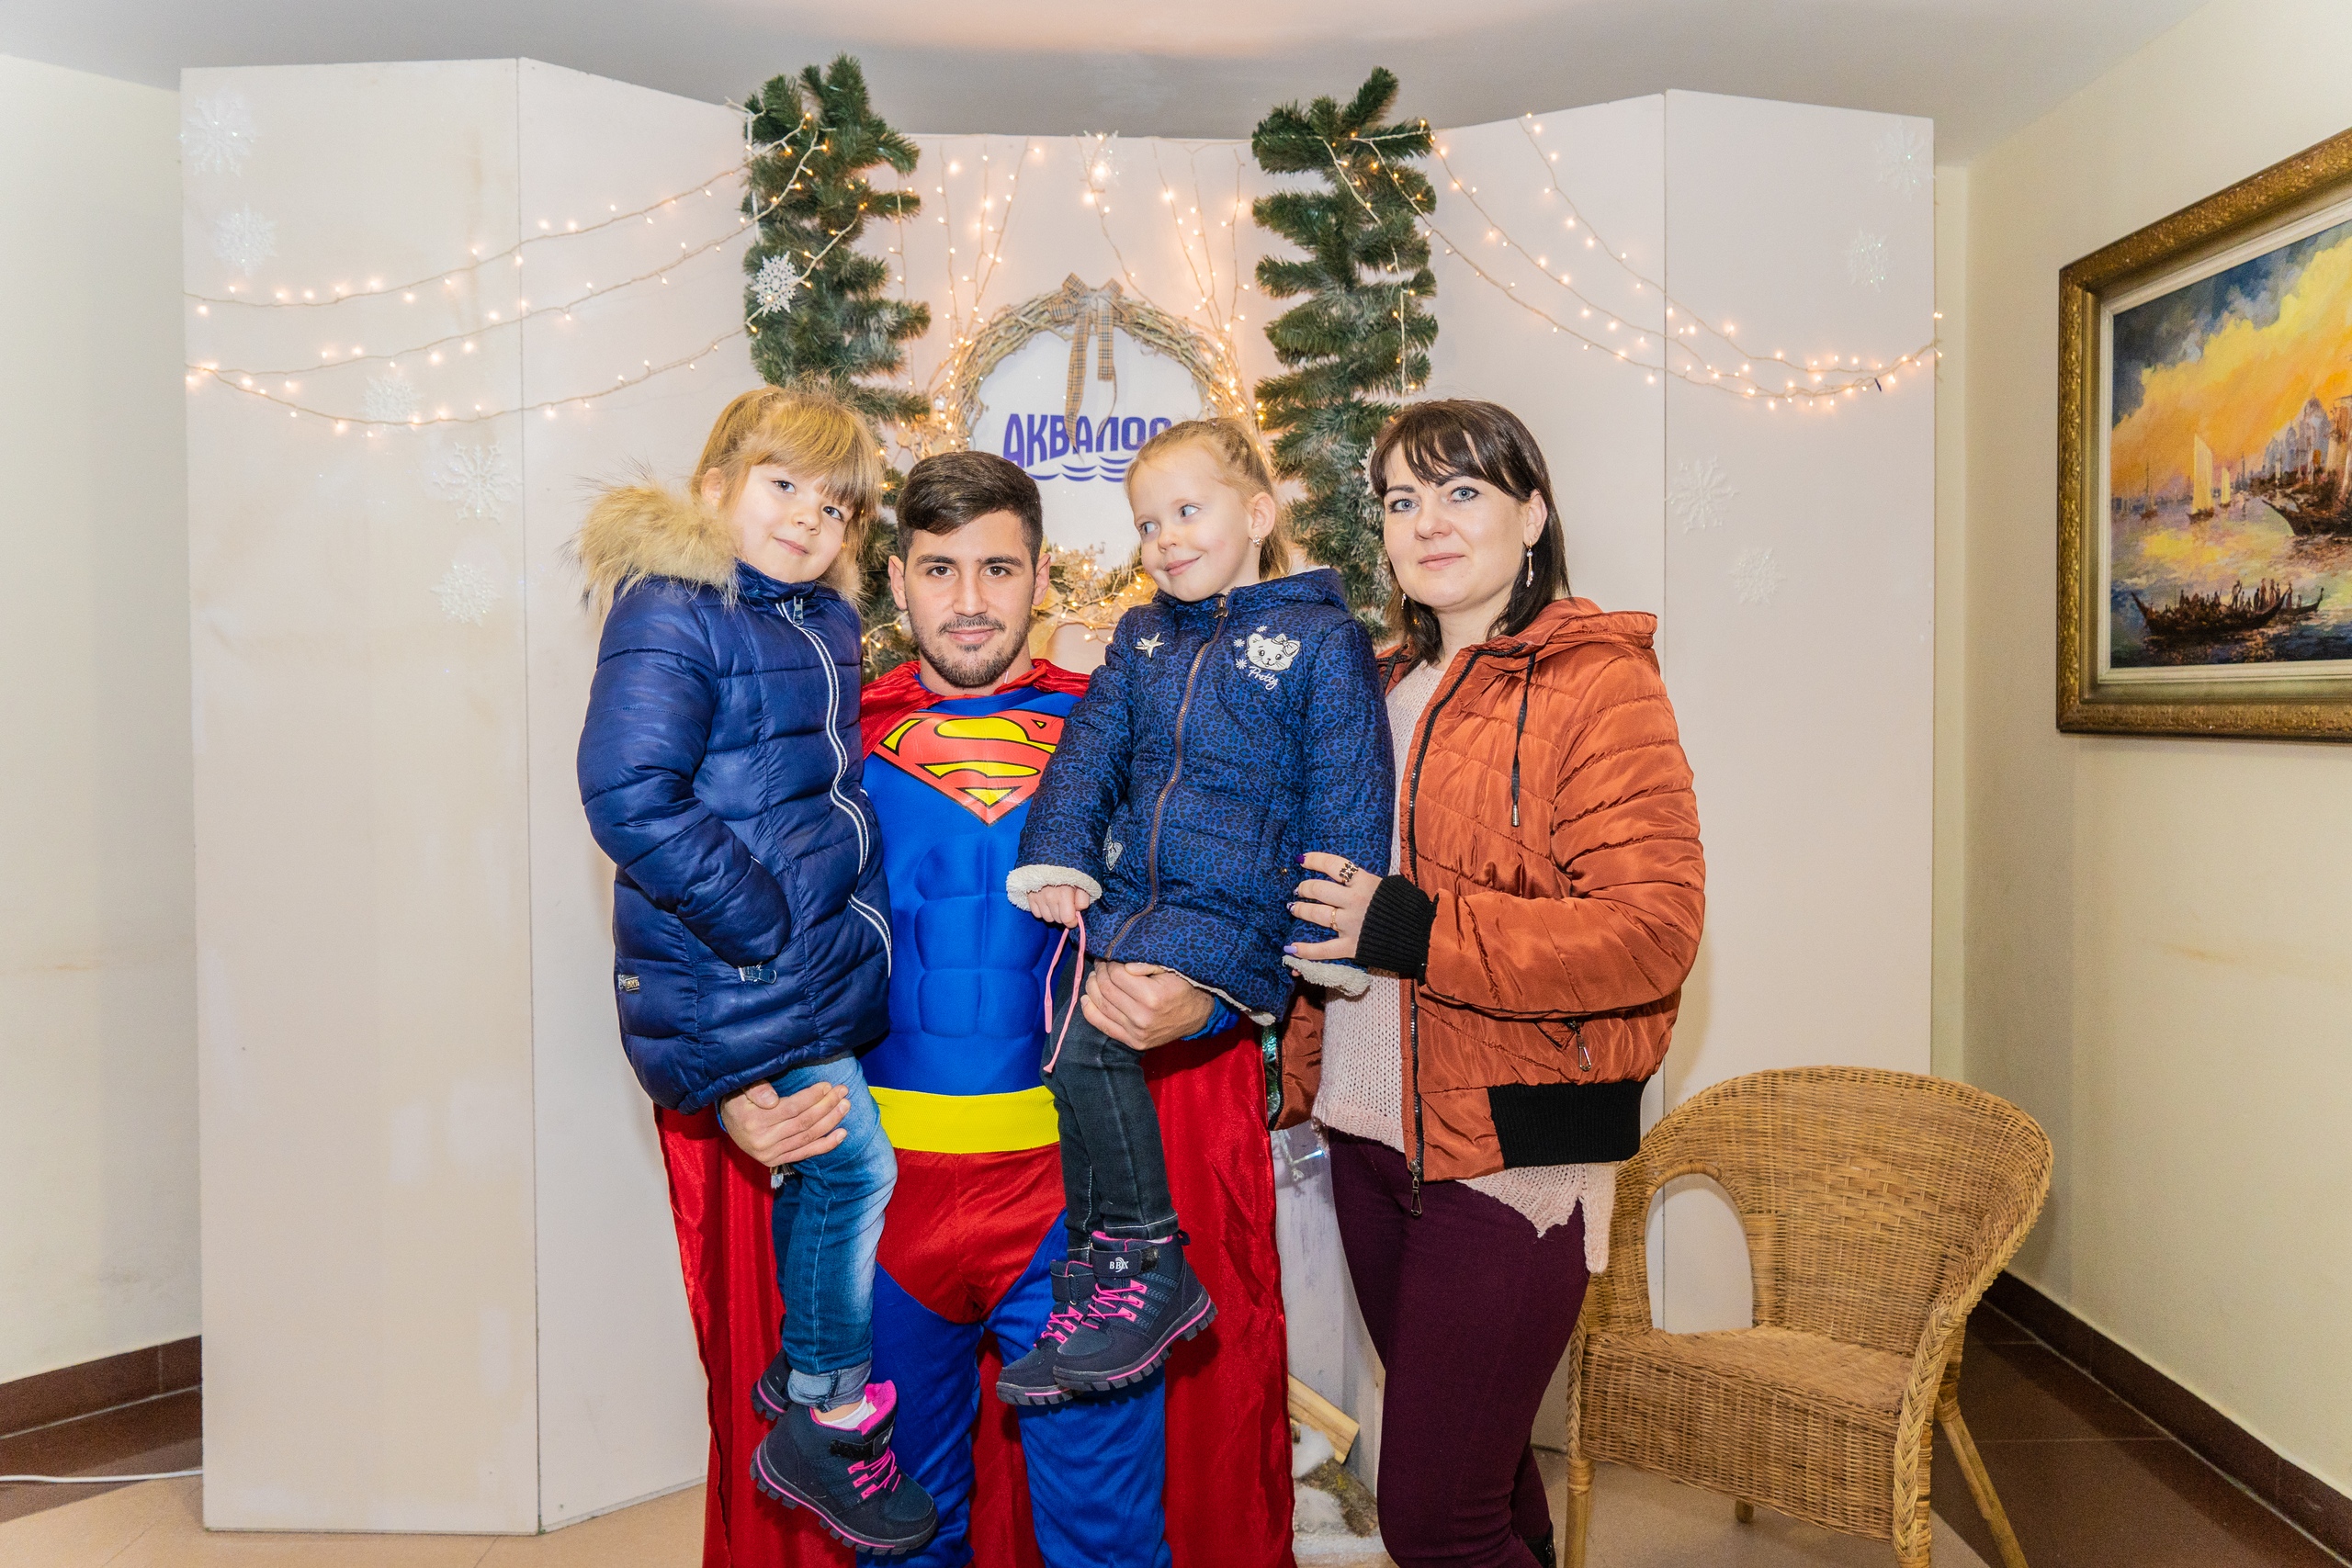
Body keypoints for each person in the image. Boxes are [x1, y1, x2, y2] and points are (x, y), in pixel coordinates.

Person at [666, 449, 1296, 1568]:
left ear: (1042, 576)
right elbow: (714, 936)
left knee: (1107, 1538)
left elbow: (1234, 912)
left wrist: (1199, 1005)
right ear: (894, 579)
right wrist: (733, 1095)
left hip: (1076, 1206)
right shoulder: (819, 742)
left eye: (998, 569)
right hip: (880, 1207)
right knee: (903, 1535)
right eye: (938, 569)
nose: (968, 601)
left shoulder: (1127, 732)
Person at [1280, 400, 1705, 1568]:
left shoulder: (1595, 681)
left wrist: (1408, 928)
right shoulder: (1366, 686)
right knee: (1490, 1480)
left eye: (1461, 491)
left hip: (1512, 1157)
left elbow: (1650, 933)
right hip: (1366, 1141)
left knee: (1432, 1520)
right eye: (1401, 500)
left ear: (1531, 515)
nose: (1427, 522)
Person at [575, 387, 936, 1558]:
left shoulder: (811, 620)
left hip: (795, 967)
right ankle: (825, 1411)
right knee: (856, 1171)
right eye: (784, 486)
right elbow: (628, 793)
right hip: (738, 969)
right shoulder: (674, 607)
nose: (807, 520)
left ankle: (798, 1375)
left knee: (834, 1175)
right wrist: (764, 921)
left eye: (835, 507)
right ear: (715, 483)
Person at [1001, 417, 1394, 1404]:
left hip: (1239, 905)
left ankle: (1149, 1261)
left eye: (1186, 511)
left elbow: (1348, 788)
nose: (1164, 539)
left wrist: (1328, 938)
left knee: (1093, 1047)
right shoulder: (1142, 638)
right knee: (1067, 1042)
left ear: (1256, 514)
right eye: (1147, 523)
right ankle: (1099, 1276)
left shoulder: (1319, 638)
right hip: (1144, 900)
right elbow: (1089, 754)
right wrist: (1058, 854)